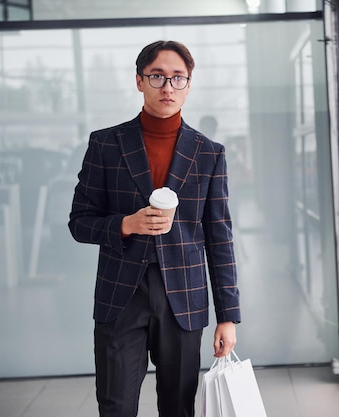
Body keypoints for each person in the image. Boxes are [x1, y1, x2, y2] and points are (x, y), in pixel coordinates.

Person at [68, 40, 241, 417]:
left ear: (189, 84)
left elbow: (219, 238)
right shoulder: (105, 144)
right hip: (120, 296)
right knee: (115, 405)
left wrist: (228, 316)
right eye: (157, 76)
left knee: (178, 407)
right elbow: (79, 223)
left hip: (183, 298)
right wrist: (126, 224)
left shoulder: (209, 153)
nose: (167, 87)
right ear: (139, 81)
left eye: (178, 78)